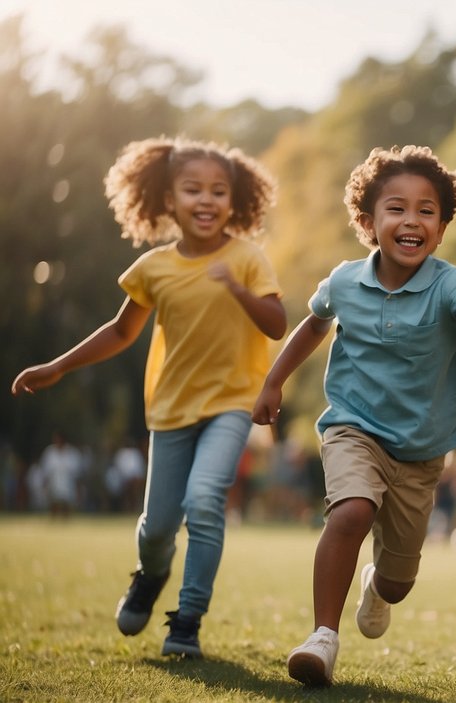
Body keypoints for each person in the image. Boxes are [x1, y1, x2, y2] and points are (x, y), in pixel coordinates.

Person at [253, 145, 456, 687]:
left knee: (399, 581)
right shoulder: (346, 281)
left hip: (420, 452)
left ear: (442, 228)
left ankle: (378, 585)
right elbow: (313, 324)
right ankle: (322, 638)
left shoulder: (449, 282)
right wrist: (273, 381)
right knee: (349, 512)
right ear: (369, 221)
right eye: (396, 207)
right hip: (354, 427)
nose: (411, 220)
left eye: (427, 210)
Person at [12, 136, 284, 658]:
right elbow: (119, 333)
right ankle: (151, 572)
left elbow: (276, 324)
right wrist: (58, 366)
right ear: (167, 199)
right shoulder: (154, 268)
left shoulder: (247, 258)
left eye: (218, 191)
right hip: (170, 410)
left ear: (234, 200)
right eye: (192, 190)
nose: (206, 200)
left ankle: (187, 621)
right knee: (157, 526)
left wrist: (238, 290)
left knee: (205, 502)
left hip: (231, 404)